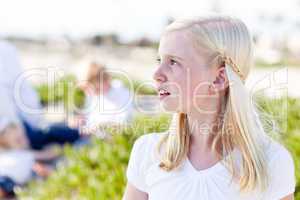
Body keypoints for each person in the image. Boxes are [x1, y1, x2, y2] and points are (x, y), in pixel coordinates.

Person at [122, 15, 295, 200]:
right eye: (159, 60)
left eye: (173, 62)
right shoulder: (149, 152)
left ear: (220, 78)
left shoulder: (271, 162)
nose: (157, 74)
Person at [0, 40, 80, 150]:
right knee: (48, 134)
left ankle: (78, 131)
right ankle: (79, 132)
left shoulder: (6, 50)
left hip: (23, 121)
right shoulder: (6, 50)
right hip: (20, 124)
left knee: (50, 132)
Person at [80, 62, 133, 133]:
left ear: (105, 80)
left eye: (95, 88)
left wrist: (98, 126)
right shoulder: (93, 95)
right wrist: (81, 120)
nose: (91, 93)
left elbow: (122, 123)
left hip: (103, 138)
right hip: (87, 133)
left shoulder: (123, 94)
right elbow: (88, 119)